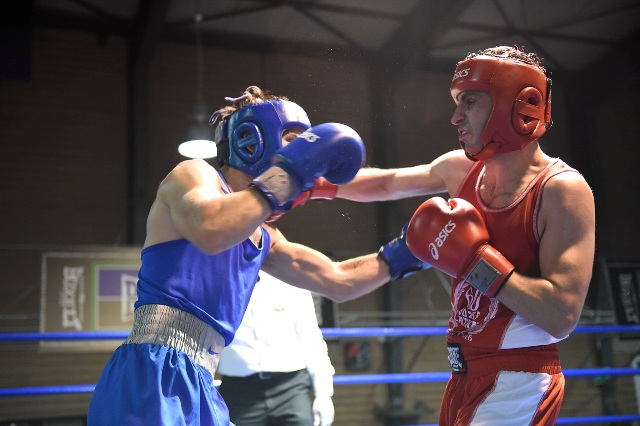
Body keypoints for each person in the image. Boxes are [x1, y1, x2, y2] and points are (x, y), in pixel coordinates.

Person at [86, 86, 426, 425]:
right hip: (152, 372)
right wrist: (286, 176)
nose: (304, 157)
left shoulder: (263, 236)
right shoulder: (194, 174)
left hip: (201, 380)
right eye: (294, 141)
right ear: (254, 140)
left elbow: (337, 280)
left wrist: (412, 249)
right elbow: (211, 229)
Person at [332, 46, 596, 425]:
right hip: (462, 376)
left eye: (469, 102)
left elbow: (562, 316)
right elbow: (385, 184)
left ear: (517, 104)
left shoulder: (561, 190)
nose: (455, 116)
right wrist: (307, 180)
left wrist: (476, 261)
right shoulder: (461, 170)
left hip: (518, 380)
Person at [217, 271, 335, 426]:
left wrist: (324, 394)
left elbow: (312, 340)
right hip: (238, 390)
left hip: (291, 387)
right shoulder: (219, 282)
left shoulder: (292, 281)